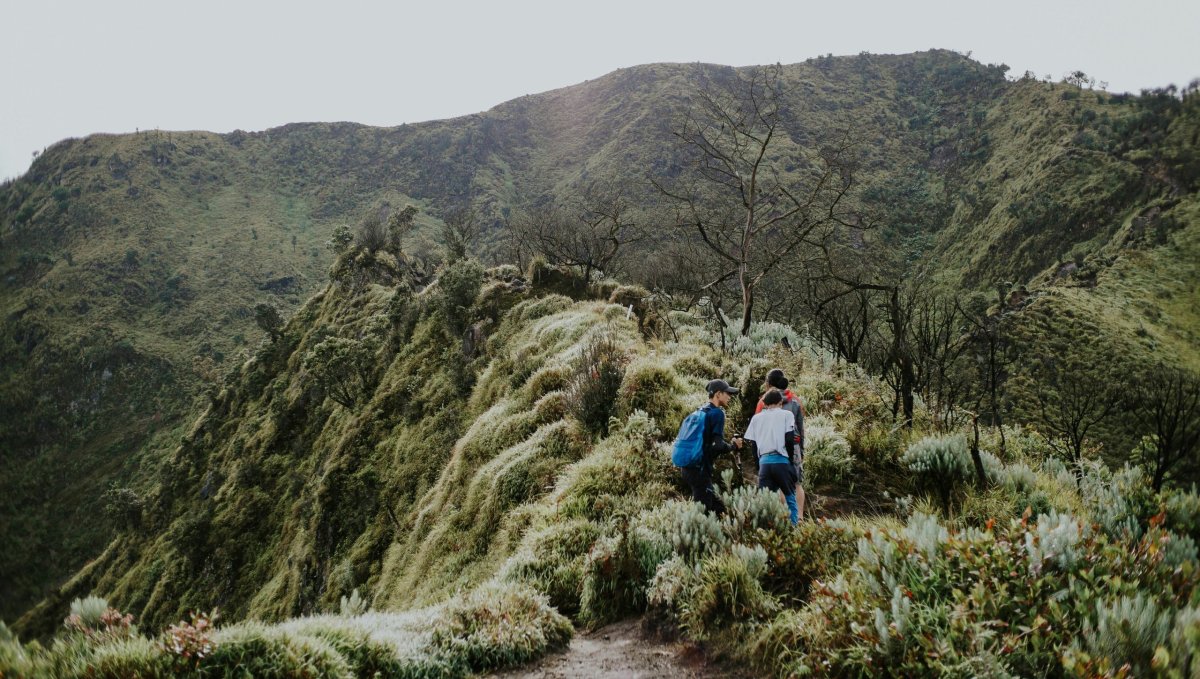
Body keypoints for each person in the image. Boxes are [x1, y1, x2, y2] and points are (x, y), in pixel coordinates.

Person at [680, 379, 744, 515]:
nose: (729, 396)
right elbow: (717, 446)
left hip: (687, 468)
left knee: (718, 509)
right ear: (718, 394)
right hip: (700, 470)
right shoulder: (717, 413)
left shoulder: (701, 410)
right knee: (703, 513)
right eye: (727, 393)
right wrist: (733, 445)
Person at [756, 368, 807, 519]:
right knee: (796, 483)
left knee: (776, 484)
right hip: (794, 446)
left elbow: (759, 428)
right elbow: (801, 428)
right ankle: (799, 518)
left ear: (768, 383)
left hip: (770, 448)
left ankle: (781, 518)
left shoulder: (763, 402)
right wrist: (801, 451)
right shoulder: (795, 400)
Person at [745, 389, 799, 524]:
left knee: (765, 501)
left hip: (764, 462)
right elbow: (789, 439)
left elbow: (753, 444)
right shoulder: (787, 414)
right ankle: (794, 528)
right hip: (781, 461)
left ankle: (765, 529)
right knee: (790, 498)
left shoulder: (756, 418)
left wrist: (759, 465)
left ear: (765, 403)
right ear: (780, 402)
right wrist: (791, 461)